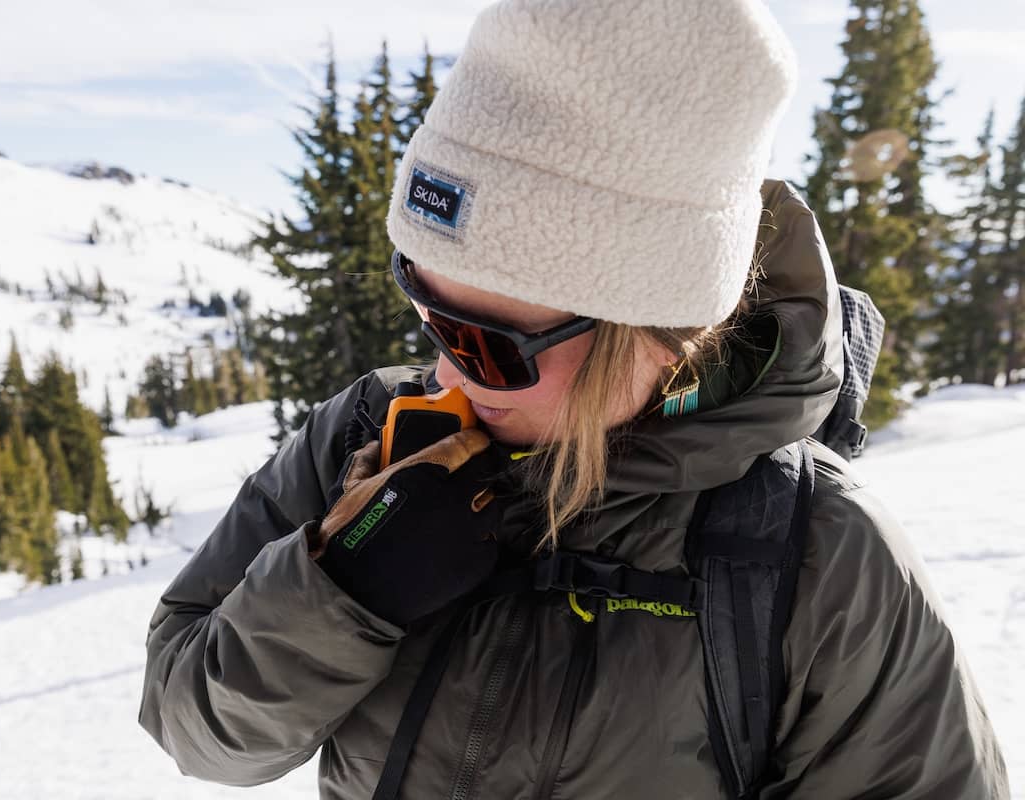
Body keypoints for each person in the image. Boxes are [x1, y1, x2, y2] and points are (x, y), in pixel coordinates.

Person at [138, 0, 1010, 797]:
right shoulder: (367, 436)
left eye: (490, 345)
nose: (446, 376)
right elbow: (200, 733)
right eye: (427, 307)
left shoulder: (819, 555)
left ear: (660, 332)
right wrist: (340, 591)